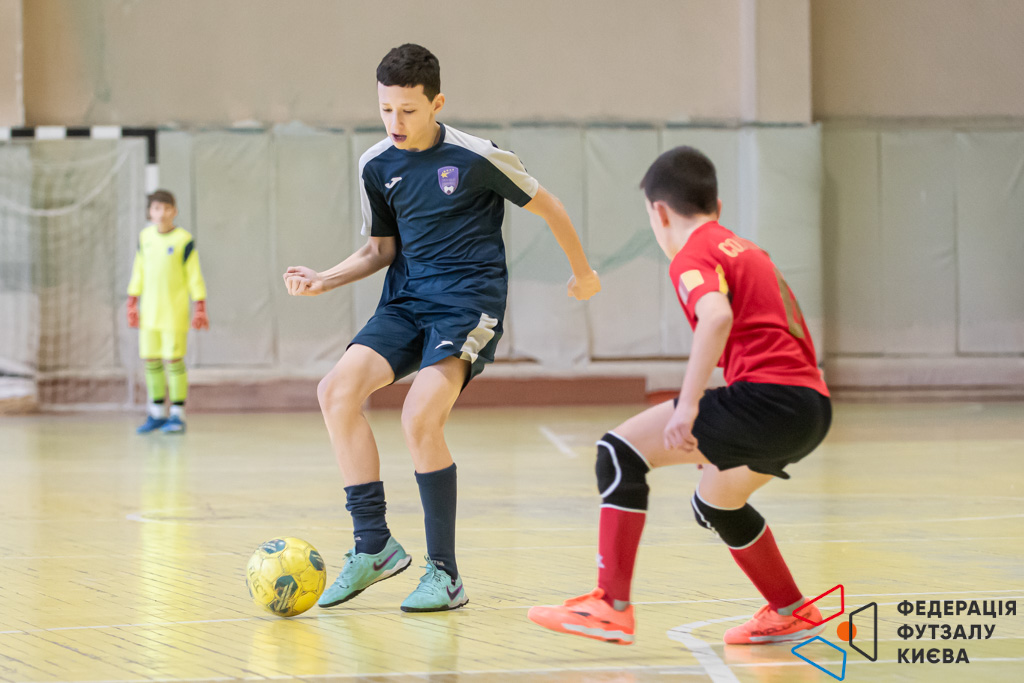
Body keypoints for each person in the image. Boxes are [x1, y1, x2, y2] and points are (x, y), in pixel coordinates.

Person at [283, 44, 600, 613]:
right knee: (335, 392)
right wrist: (324, 279)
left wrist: (583, 273)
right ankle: (373, 546)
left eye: (408, 110)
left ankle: (445, 574)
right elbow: (380, 249)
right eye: (386, 109)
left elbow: (550, 207)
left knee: (419, 417)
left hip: (467, 306)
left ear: (437, 104)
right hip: (406, 302)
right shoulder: (376, 164)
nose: (395, 122)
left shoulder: (478, 157)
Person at [527, 146, 831, 645]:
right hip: (811, 408)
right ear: (717, 205)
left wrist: (689, 407)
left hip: (769, 401)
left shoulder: (693, 254)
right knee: (718, 501)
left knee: (618, 452)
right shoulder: (746, 249)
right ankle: (790, 609)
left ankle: (610, 606)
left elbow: (716, 317)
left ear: (660, 212)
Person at [127, 189, 209, 434]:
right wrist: (132, 302)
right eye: (156, 208)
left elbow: (194, 276)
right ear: (149, 212)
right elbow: (139, 271)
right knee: (151, 360)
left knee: (174, 361)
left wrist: (200, 306)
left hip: (174, 313)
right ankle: (156, 413)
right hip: (149, 313)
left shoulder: (184, 240)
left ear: (174, 211)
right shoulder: (145, 238)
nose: (161, 213)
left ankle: (177, 414)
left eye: (166, 208)